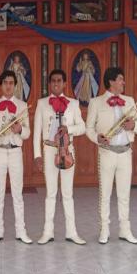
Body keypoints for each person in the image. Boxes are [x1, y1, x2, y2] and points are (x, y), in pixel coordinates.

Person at [85, 67, 137, 244]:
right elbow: (89, 128)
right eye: (120, 79)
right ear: (111, 81)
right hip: (107, 152)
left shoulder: (129, 100)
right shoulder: (96, 102)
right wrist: (97, 138)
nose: (123, 82)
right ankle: (104, 229)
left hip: (126, 152)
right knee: (105, 193)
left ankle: (125, 230)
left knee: (124, 194)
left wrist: (133, 125)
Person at [33, 69, 87, 245]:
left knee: (68, 193)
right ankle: (47, 232)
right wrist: (37, 155)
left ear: (64, 83)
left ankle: (71, 232)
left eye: (59, 80)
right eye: (53, 81)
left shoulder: (73, 103)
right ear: (50, 84)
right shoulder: (42, 103)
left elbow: (82, 127)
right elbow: (36, 132)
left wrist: (68, 129)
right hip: (49, 150)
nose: (56, 83)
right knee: (50, 193)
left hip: (67, 151)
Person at [0, 70, 32, 244]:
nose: (8, 85)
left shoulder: (22, 105)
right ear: (1, 84)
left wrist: (20, 129)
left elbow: (27, 133)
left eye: (11, 82)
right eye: (5, 82)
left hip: (15, 152)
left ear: (15, 85)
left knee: (17, 194)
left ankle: (21, 231)